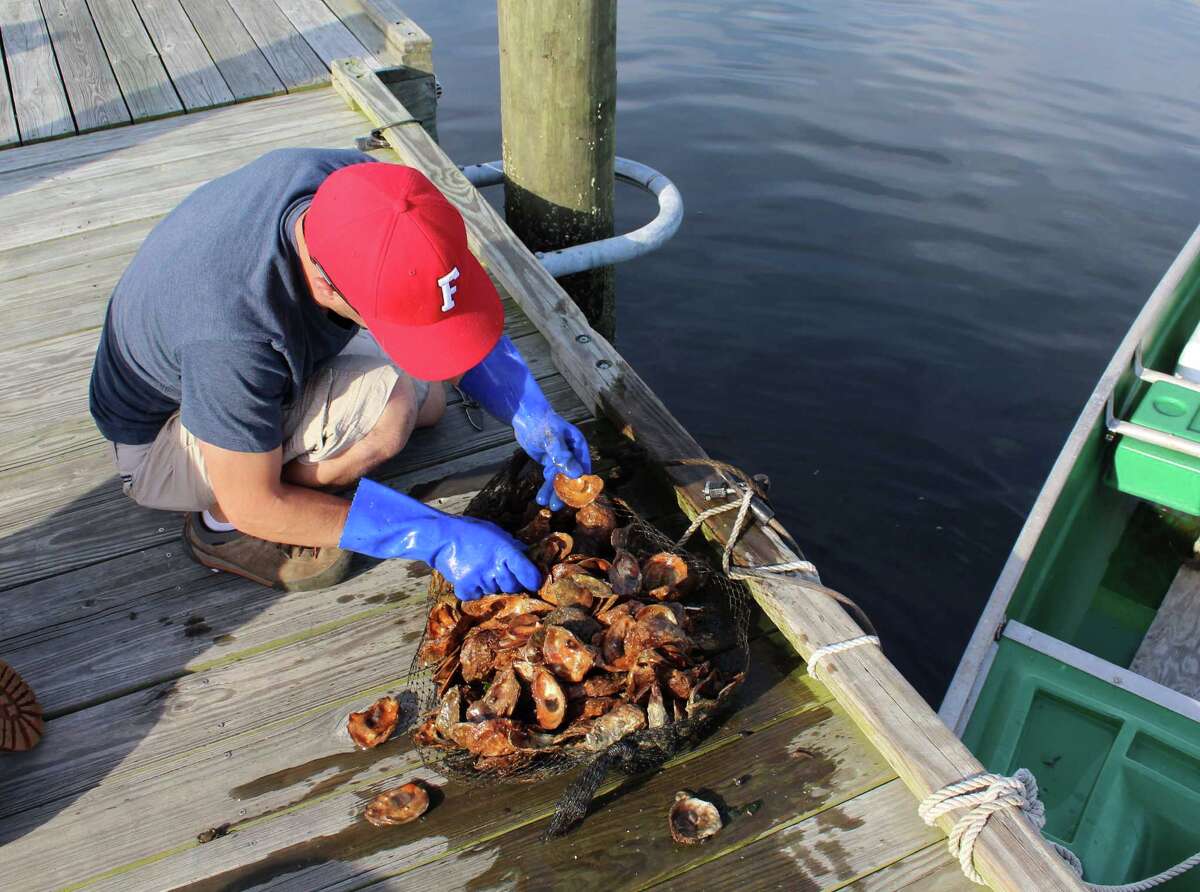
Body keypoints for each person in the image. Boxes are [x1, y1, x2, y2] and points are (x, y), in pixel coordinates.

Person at [89, 148, 590, 599]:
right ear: (329, 288)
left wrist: (530, 412)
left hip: (250, 352)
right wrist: (433, 535)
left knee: (429, 397)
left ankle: (278, 465)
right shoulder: (233, 334)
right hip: (162, 437)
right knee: (392, 412)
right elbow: (253, 502)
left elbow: (448, 307)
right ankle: (219, 527)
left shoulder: (376, 196)